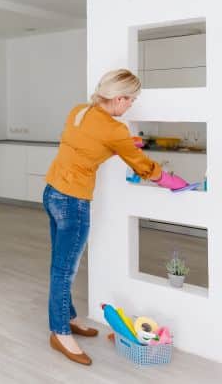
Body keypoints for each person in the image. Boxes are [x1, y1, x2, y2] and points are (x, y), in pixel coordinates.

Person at [44, 69, 188, 365]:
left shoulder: (79, 111)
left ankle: (67, 318)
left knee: (59, 264)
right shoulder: (114, 129)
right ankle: (59, 332)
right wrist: (172, 181)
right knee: (64, 270)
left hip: (52, 192)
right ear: (119, 98)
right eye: (131, 100)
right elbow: (143, 167)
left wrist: (120, 145)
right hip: (73, 202)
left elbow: (84, 148)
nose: (131, 105)